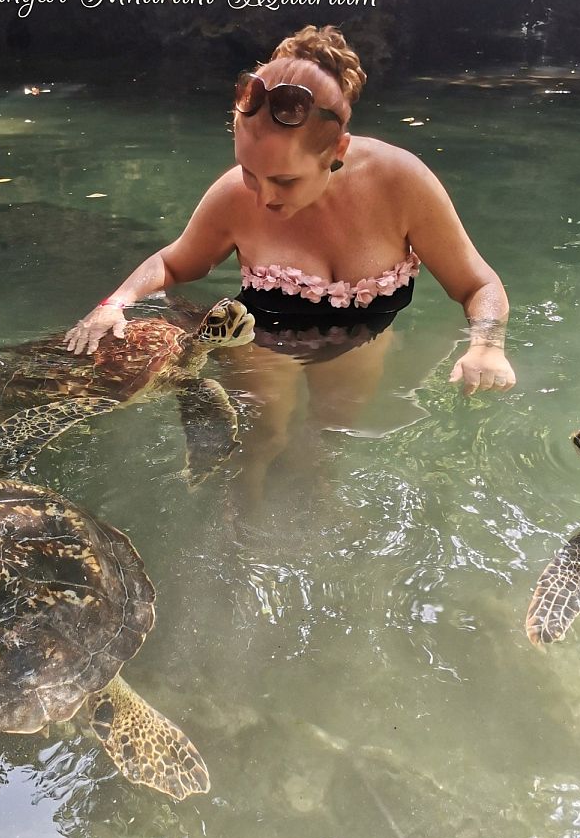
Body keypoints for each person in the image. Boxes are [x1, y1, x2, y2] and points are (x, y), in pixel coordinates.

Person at [64, 25, 516, 508]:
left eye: (283, 179)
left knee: (326, 441)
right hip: (261, 339)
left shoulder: (401, 183)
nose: (262, 197)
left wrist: (487, 346)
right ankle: (237, 524)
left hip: (361, 339)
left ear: (337, 151)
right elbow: (173, 262)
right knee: (260, 440)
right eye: (248, 171)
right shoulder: (234, 196)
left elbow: (477, 283)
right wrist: (115, 302)